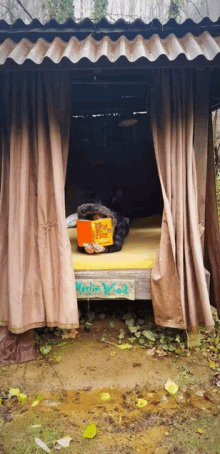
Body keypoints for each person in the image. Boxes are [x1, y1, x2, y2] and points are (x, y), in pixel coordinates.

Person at [66, 200, 130, 254]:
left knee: (126, 220)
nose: (97, 217)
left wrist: (104, 249)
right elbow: (80, 244)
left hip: (123, 221)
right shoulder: (87, 221)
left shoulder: (118, 221)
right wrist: (86, 249)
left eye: (100, 214)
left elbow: (118, 244)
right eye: (95, 215)